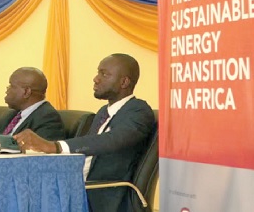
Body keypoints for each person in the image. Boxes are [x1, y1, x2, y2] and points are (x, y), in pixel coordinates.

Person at [14, 53, 155, 212]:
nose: (96, 78)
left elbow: (111, 140)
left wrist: (56, 147)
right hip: (76, 186)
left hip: (103, 194)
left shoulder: (139, 111)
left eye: (104, 74)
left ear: (124, 82)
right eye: (98, 72)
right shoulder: (103, 112)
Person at [0, 67, 65, 143]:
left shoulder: (48, 118)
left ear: (26, 92)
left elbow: (42, 155)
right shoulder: (11, 115)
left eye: (11, 86)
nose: (7, 90)